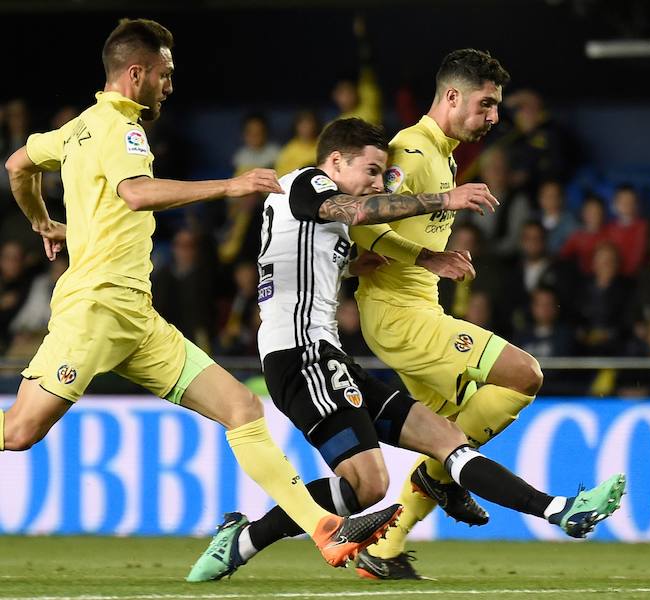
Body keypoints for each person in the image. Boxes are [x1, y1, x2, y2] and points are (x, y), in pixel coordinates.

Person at [1, 18, 400, 569]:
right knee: (20, 432)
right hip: (93, 312)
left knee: (241, 407)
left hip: (137, 320)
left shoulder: (74, 130)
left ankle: (324, 529)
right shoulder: (121, 128)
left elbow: (18, 164)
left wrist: (44, 222)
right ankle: (321, 527)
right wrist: (230, 185)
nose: (170, 84)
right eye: (164, 74)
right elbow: (136, 195)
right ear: (135, 73)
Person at [186, 118, 624, 582]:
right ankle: (246, 540)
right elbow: (355, 212)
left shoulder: (314, 215)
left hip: (326, 356)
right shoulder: (307, 182)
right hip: (301, 356)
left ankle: (559, 510)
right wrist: (444, 199)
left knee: (444, 440)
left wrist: (373, 262)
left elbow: (309, 261)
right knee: (366, 484)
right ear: (335, 161)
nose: (376, 184)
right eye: (371, 171)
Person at [349, 49, 626, 579]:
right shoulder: (410, 149)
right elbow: (362, 222)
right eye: (487, 104)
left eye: (496, 106)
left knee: (446, 435)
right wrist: (436, 222)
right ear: (452, 97)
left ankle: (383, 551)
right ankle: (443, 481)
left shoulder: (445, 154)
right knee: (524, 374)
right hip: (396, 314)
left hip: (416, 307)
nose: (494, 117)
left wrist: (429, 252)